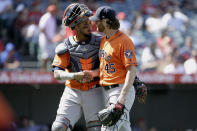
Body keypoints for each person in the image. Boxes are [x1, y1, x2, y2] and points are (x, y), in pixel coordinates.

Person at [51, 3, 104, 131]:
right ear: (75, 25)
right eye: (83, 22)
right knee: (58, 127)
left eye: (88, 20)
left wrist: (93, 74)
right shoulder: (66, 45)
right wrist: (75, 75)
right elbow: (57, 74)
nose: (88, 24)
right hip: (72, 90)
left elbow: (108, 67)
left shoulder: (102, 41)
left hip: (95, 91)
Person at [89, 6, 138, 131]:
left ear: (105, 21)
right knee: (123, 128)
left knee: (108, 128)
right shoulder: (103, 40)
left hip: (120, 91)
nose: (94, 23)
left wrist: (123, 97)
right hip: (108, 92)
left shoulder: (124, 41)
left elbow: (131, 70)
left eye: (97, 20)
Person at [38, 4, 57, 71]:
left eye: (54, 11)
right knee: (45, 56)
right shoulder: (45, 17)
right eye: (52, 11)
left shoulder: (53, 18)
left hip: (51, 40)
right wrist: (48, 37)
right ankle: (43, 71)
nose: (53, 12)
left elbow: (53, 30)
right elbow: (41, 29)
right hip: (45, 39)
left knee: (52, 56)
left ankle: (51, 72)